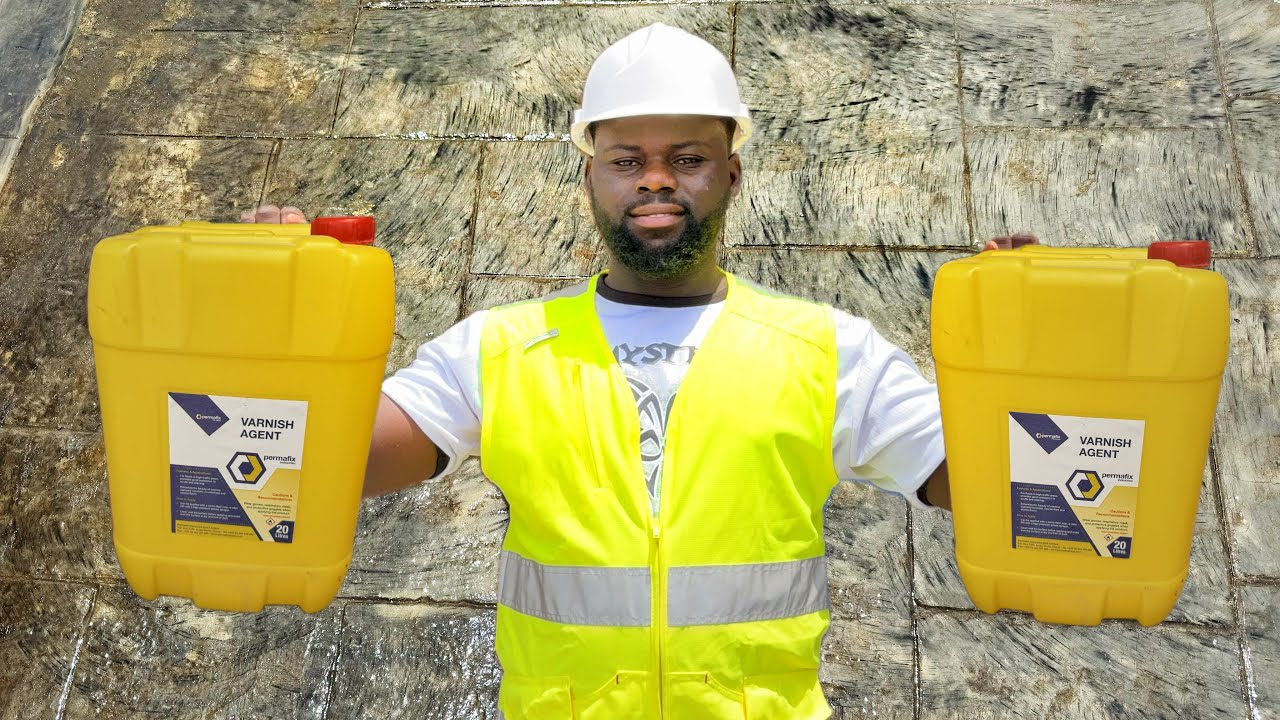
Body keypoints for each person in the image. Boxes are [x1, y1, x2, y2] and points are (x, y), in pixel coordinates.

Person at [244, 23, 1032, 720]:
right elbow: (324, 462)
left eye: (687, 158)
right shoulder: (499, 348)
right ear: (591, 180)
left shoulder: (828, 350)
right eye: (627, 159)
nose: (656, 178)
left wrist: (1037, 365)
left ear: (731, 176)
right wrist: (268, 324)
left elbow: (995, 482)